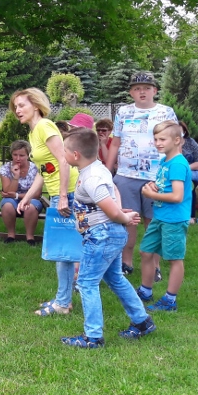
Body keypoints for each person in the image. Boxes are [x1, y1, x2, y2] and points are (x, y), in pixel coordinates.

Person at [60, 128, 156, 348]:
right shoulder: (96, 169)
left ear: (75, 155)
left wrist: (122, 216)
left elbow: (110, 209)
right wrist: (122, 215)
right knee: (115, 278)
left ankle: (93, 337)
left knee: (86, 283)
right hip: (108, 234)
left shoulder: (92, 178)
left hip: (101, 236)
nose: (63, 155)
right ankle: (142, 322)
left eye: (65, 150)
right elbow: (113, 189)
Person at [11, 88, 79, 316]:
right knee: (64, 250)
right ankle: (64, 300)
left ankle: (63, 302)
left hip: (70, 193)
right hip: (61, 193)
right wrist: (29, 197)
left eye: (21, 105)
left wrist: (61, 196)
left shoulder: (45, 126)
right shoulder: (34, 132)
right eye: (15, 107)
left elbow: (64, 160)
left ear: (36, 106)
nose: (17, 110)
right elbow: (45, 169)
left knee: (64, 250)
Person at [104, 72, 177, 279]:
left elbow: (175, 143)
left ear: (154, 90)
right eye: (137, 88)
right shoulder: (123, 112)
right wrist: (108, 172)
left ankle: (155, 266)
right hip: (126, 176)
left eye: (146, 88)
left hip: (157, 177)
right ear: (131, 92)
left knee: (154, 222)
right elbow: (115, 143)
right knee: (127, 220)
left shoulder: (166, 112)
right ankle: (126, 262)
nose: (142, 92)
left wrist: (173, 171)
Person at [136, 122, 192, 312]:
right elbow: (164, 185)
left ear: (177, 140)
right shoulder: (165, 161)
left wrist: (151, 195)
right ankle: (145, 290)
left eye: (162, 139)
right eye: (156, 139)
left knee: (174, 258)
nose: (157, 143)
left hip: (174, 219)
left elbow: (177, 196)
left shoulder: (177, 163)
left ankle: (170, 300)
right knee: (146, 252)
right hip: (160, 216)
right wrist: (153, 185)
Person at [0, 140, 42, 245]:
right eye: (15, 155)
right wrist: (16, 177)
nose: (18, 158)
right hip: (12, 199)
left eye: (22, 155)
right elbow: (8, 192)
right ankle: (11, 235)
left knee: (31, 207)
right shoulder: (5, 168)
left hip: (32, 199)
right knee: (8, 205)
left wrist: (18, 195)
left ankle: (30, 237)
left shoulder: (36, 168)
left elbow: (37, 194)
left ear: (28, 155)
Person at [178, 121, 198, 222]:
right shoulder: (168, 142)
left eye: (179, 130)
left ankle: (191, 216)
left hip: (190, 171)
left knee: (189, 186)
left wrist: (186, 168)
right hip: (173, 171)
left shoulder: (191, 142)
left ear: (184, 131)